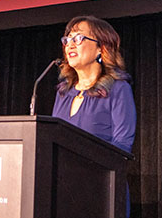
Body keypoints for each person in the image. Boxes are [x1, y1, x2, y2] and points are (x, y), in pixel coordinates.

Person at [51, 15, 136, 154]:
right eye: (68, 40)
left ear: (101, 48)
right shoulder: (63, 93)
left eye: (78, 38)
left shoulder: (118, 89)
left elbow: (122, 144)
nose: (70, 45)